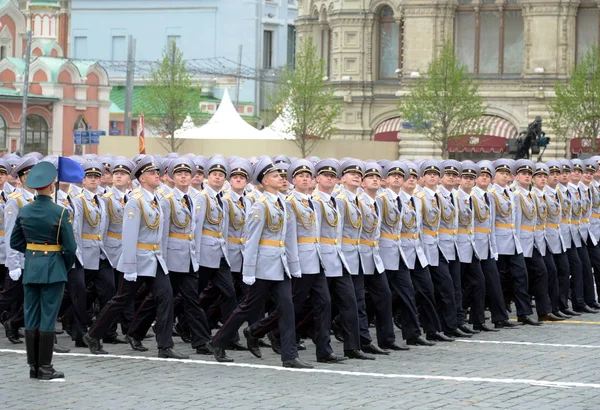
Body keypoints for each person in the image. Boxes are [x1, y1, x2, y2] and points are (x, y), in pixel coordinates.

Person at [209, 157, 313, 368]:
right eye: (275, 176)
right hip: (263, 267)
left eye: (280, 175)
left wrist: (294, 266)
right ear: (265, 182)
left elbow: (289, 239)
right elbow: (252, 240)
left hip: (281, 266)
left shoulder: (284, 204)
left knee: (287, 308)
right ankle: (218, 341)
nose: (280, 178)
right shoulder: (260, 206)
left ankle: (289, 356)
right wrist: (248, 271)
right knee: (248, 307)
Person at [83, 156, 188, 359]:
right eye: (152, 173)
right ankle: (93, 334)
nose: (157, 175)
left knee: (166, 297)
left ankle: (165, 346)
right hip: (137, 260)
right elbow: (129, 237)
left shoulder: (156, 200)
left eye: (157, 172)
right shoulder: (135, 201)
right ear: (141, 178)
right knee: (121, 300)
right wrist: (129, 267)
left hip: (154, 259)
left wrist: (162, 258)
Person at [10, 161, 77, 380]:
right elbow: (70, 247)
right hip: (53, 268)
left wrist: (33, 254)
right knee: (48, 316)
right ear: (51, 186)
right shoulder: (60, 212)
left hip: (32, 267)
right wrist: (62, 264)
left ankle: (33, 366)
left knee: (31, 315)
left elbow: (15, 242)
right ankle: (45, 367)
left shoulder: (24, 210)